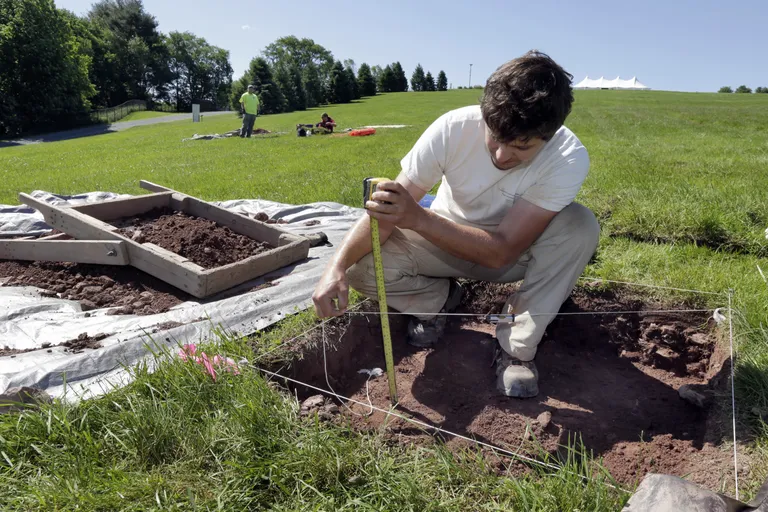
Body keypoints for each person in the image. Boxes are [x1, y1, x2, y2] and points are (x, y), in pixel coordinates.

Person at [311, 50, 600, 398]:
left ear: (549, 135)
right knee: (361, 268)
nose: (501, 156)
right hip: (441, 245)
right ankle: (440, 300)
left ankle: (516, 348)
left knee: (579, 225)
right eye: (495, 136)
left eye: (522, 146)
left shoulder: (567, 157)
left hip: (512, 258)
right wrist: (336, 266)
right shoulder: (453, 129)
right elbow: (388, 211)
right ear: (485, 115)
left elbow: (501, 252)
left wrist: (417, 217)